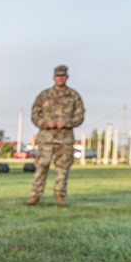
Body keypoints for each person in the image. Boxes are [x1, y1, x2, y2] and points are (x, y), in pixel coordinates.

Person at [26, 65, 85, 206]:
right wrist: (45, 123)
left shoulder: (73, 96)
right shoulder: (44, 95)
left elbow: (80, 116)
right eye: (58, 76)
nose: (60, 78)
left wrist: (67, 122)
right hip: (46, 138)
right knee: (41, 167)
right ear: (54, 78)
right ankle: (35, 195)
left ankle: (60, 195)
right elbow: (34, 114)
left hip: (65, 139)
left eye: (63, 76)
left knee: (62, 168)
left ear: (66, 77)